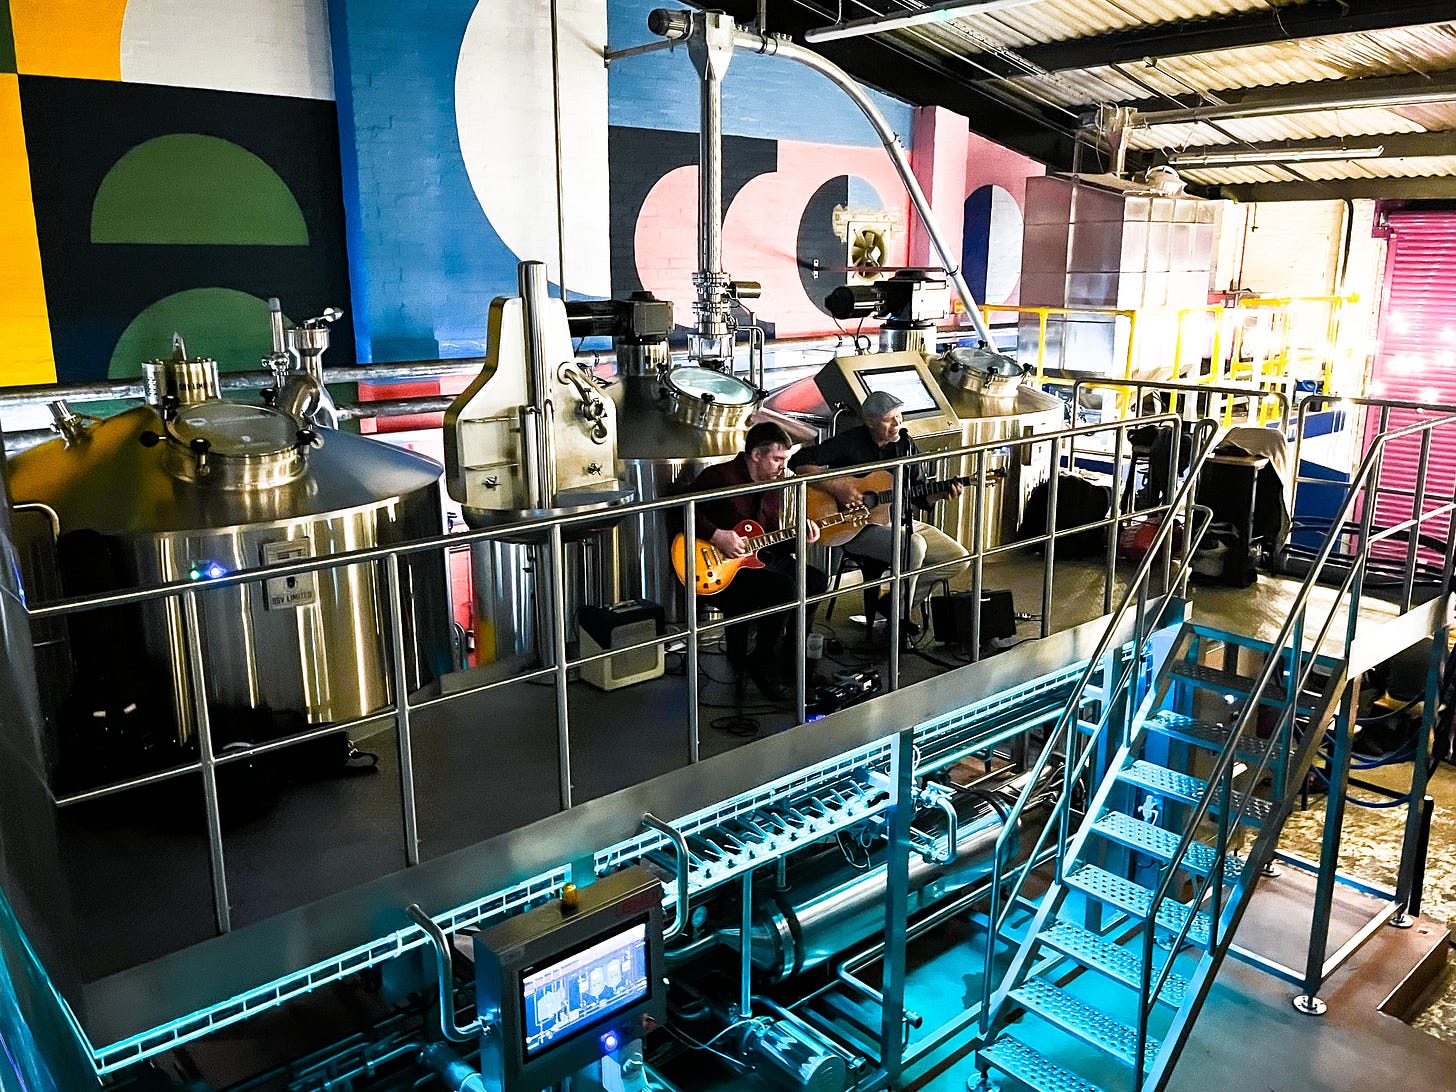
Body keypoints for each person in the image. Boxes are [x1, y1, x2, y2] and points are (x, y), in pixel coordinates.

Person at [789, 390, 969, 636]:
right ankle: (898, 621)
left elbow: (918, 493)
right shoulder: (850, 441)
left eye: (899, 416)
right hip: (854, 527)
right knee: (914, 546)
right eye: (889, 419)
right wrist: (837, 486)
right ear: (870, 422)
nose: (897, 423)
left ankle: (893, 605)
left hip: (896, 520)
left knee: (957, 557)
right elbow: (799, 461)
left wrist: (937, 494)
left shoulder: (906, 445)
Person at [688, 421, 828, 701]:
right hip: (718, 568)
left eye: (784, 460)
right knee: (783, 588)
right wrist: (717, 536)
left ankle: (790, 659)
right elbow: (678, 510)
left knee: (814, 580)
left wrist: (801, 538)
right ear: (756, 455)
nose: (782, 467)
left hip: (757, 560)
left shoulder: (772, 486)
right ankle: (762, 664)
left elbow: (769, 539)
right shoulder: (718, 477)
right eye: (777, 459)